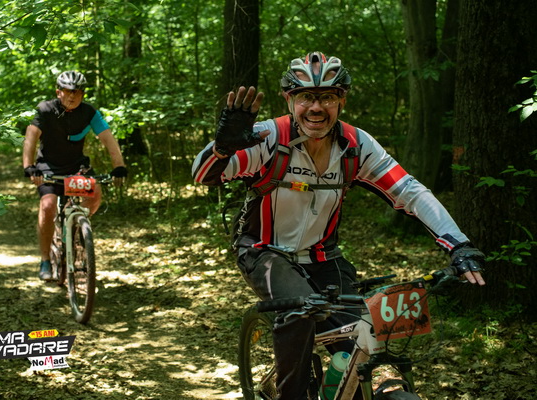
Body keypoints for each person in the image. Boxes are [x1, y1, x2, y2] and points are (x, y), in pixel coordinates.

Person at [192, 52, 486, 399]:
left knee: (362, 342)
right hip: (263, 250)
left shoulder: (356, 146)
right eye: (306, 97)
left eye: (328, 97)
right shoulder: (266, 137)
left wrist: (458, 244)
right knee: (299, 312)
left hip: (323, 256)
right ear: (289, 100)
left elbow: (409, 191)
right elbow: (202, 175)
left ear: (341, 101)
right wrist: (222, 149)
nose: (316, 108)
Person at [23, 70, 127, 281]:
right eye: (68, 91)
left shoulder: (89, 113)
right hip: (48, 168)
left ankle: (76, 226)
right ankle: (45, 259)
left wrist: (119, 166)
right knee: (48, 205)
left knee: (95, 194)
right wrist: (29, 166)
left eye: (77, 92)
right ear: (58, 92)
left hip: (76, 167)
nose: (72, 96)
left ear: (83, 94)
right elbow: (30, 138)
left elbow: (108, 139)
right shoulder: (45, 109)